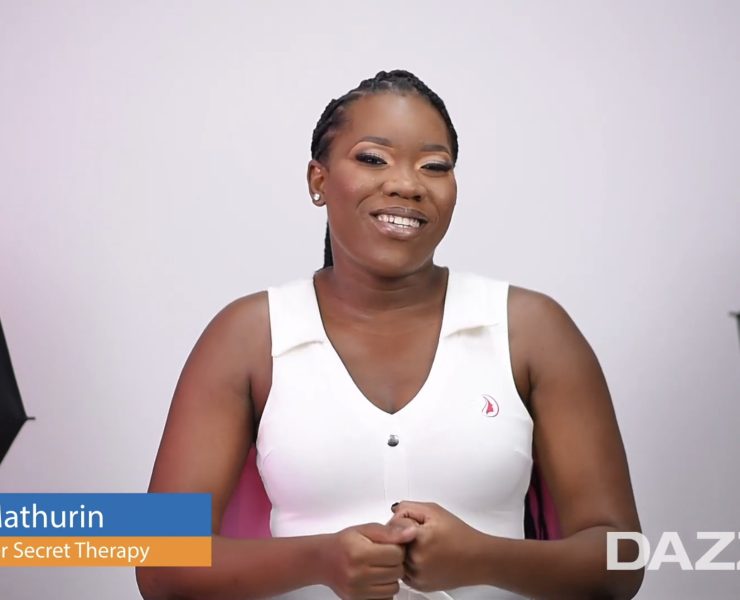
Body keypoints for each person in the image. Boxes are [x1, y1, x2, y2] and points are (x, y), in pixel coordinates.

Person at [136, 70, 644, 600]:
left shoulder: (533, 329)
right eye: (374, 159)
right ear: (318, 180)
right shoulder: (244, 335)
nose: (407, 184)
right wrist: (319, 558)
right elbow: (154, 560)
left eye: (435, 166)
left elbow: (624, 557)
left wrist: (483, 557)